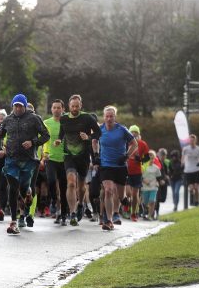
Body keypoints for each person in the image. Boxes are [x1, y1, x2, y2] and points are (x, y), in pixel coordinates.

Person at [0, 94, 50, 234]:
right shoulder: (7, 120)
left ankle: (28, 193)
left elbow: (46, 135)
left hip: (28, 160)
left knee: (24, 190)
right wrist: (0, 148)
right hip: (11, 159)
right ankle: (14, 222)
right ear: (12, 106)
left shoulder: (34, 118)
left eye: (20, 105)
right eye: (16, 105)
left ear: (25, 106)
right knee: (13, 188)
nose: (18, 108)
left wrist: (33, 142)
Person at [54, 94, 101, 227]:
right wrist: (59, 139)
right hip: (69, 155)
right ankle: (73, 213)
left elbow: (98, 133)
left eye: (77, 106)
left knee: (81, 187)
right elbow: (62, 132)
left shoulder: (87, 118)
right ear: (69, 106)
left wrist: (89, 136)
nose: (74, 108)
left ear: (81, 106)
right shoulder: (64, 119)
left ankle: (80, 204)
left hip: (83, 156)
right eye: (72, 106)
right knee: (71, 183)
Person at [97, 105, 138, 231]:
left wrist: (126, 156)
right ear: (104, 117)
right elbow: (93, 140)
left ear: (115, 117)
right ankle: (108, 220)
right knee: (108, 190)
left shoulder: (122, 129)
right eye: (107, 116)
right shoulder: (99, 129)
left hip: (120, 166)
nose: (109, 119)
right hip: (105, 165)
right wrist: (95, 155)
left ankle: (124, 201)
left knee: (120, 196)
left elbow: (134, 144)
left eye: (111, 116)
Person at [43, 99, 69, 226]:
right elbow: (41, 139)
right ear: (51, 109)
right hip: (50, 158)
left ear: (63, 109)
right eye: (54, 107)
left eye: (59, 107)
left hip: (64, 159)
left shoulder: (67, 122)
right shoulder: (46, 123)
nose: (56, 110)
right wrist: (43, 154)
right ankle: (53, 201)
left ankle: (62, 214)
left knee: (64, 189)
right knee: (51, 181)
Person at [125, 125, 149, 222]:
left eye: (136, 132)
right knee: (127, 193)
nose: (134, 134)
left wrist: (139, 159)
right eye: (132, 132)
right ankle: (126, 207)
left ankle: (133, 213)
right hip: (125, 171)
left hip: (137, 172)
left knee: (135, 195)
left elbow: (147, 158)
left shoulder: (142, 144)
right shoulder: (125, 143)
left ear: (138, 134)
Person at [181, 134, 199, 207]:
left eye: (193, 140)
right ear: (189, 141)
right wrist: (182, 164)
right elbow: (182, 158)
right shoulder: (185, 149)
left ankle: (196, 202)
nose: (192, 142)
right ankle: (192, 194)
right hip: (188, 171)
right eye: (190, 140)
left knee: (196, 187)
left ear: (195, 141)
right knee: (191, 188)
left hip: (197, 170)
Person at [141, 150, 161, 220]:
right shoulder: (143, 166)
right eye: (149, 158)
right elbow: (140, 176)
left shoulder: (156, 168)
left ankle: (149, 216)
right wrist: (144, 180)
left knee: (152, 201)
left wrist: (158, 182)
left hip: (153, 187)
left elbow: (159, 177)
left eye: (152, 158)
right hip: (145, 187)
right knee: (145, 202)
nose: (151, 160)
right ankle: (145, 211)